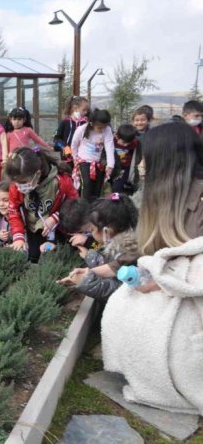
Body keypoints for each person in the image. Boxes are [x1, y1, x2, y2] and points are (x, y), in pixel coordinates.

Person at [102, 122, 203, 416]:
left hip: (192, 293)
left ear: (168, 162)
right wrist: (100, 270)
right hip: (169, 282)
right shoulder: (160, 197)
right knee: (123, 303)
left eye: (147, 159)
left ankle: (168, 377)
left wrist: (161, 284)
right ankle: (139, 368)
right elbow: (142, 247)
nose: (141, 166)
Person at [57, 193, 139, 302]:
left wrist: (86, 281)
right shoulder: (128, 245)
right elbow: (114, 266)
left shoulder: (132, 255)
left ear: (106, 232)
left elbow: (122, 293)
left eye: (91, 230)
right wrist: (88, 271)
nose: (91, 234)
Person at [6, 147, 78, 262]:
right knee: (33, 258)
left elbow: (74, 204)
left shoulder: (61, 181)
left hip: (57, 228)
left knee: (54, 257)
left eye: (23, 182)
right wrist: (18, 236)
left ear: (37, 174)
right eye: (16, 182)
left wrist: (56, 217)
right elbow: (13, 211)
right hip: (32, 228)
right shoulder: (16, 186)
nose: (19, 186)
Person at [71, 108, 115, 201]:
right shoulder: (82, 129)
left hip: (97, 162)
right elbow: (74, 145)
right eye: (100, 127)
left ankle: (95, 206)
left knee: (97, 187)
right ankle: (84, 206)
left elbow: (109, 146)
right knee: (87, 184)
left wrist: (110, 165)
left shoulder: (107, 130)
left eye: (105, 126)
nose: (102, 129)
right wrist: (74, 158)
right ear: (92, 123)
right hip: (83, 160)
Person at [53, 96, 89, 162]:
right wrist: (64, 147)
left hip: (82, 159)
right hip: (67, 159)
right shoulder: (65, 122)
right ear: (75, 108)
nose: (86, 112)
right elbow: (56, 139)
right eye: (84, 110)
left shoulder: (86, 123)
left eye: (87, 110)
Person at [112, 124, 141, 194]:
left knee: (117, 187)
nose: (125, 145)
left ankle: (117, 197)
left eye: (128, 143)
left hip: (125, 168)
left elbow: (138, 155)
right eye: (123, 142)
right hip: (113, 166)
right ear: (117, 136)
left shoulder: (135, 143)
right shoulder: (111, 141)